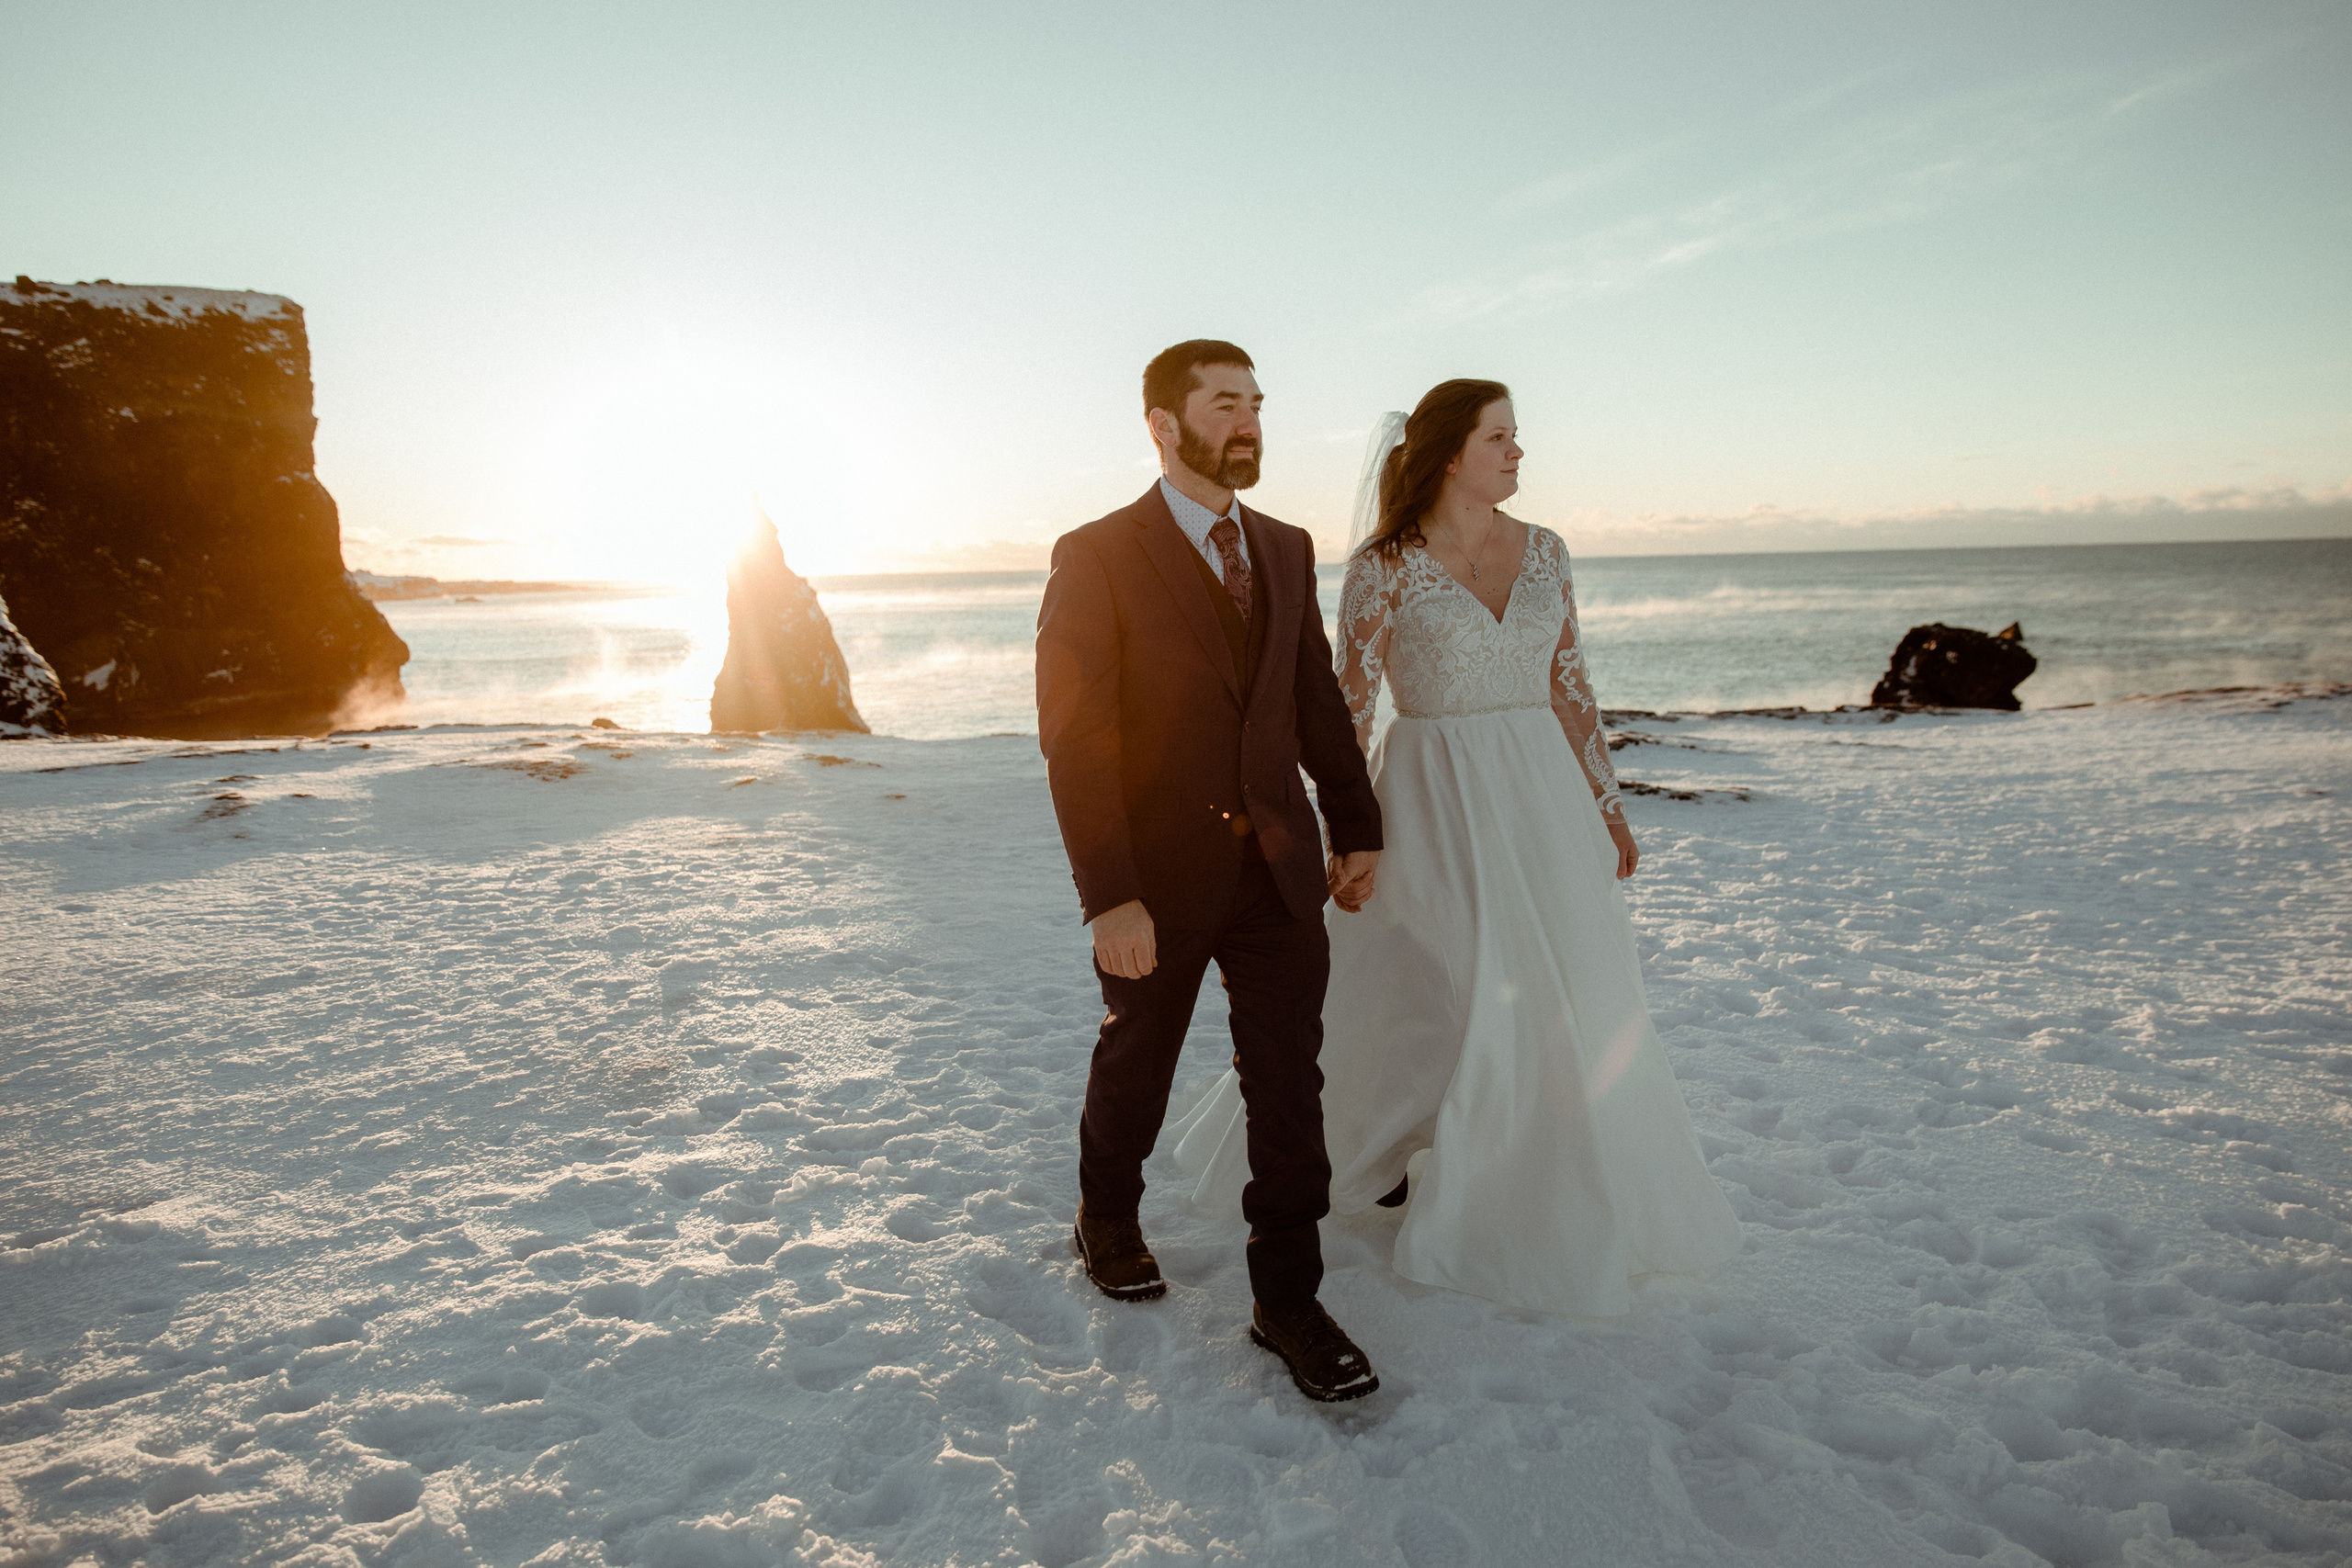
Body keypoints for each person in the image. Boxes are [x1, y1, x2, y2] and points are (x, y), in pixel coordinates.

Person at [1172, 379, 1743, 1317]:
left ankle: (1530, 1187)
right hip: (1428, 797)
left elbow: (1571, 688)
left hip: (1542, 798)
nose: (1518, 455)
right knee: (1445, 979)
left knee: (1555, 991)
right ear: (1448, 453)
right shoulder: (1385, 567)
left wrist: (1606, 806)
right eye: (1500, 438)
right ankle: (1408, 1153)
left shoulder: (1547, 551)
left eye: (1518, 438)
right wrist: (1341, 833)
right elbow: (1347, 710)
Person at [1034, 340, 1386, 1401]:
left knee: (1289, 1084)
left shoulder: (1284, 546)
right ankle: (1105, 1213)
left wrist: (1353, 820)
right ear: (1162, 422)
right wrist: (1110, 894)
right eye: (1224, 403)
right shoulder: (1095, 554)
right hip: (1155, 874)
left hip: (1277, 868)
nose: (1248, 422)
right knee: (1138, 1054)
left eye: (1256, 404)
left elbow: (1312, 697)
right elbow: (1076, 738)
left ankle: (1288, 1299)